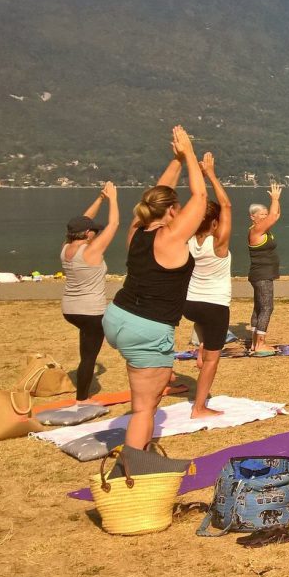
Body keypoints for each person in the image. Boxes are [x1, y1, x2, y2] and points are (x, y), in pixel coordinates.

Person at [101, 126, 206, 450]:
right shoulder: (171, 237)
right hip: (146, 328)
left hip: (117, 316)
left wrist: (174, 161)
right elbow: (201, 198)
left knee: (143, 403)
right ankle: (133, 469)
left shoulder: (137, 231)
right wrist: (189, 154)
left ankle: (139, 456)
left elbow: (157, 194)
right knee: (144, 409)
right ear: (172, 211)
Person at [182, 153, 232, 419]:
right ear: (214, 223)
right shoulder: (218, 244)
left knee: (205, 336)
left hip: (190, 304)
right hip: (214, 305)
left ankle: (201, 349)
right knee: (213, 359)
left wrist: (198, 179)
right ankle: (199, 407)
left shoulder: (188, 240)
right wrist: (211, 173)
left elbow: (198, 210)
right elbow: (227, 205)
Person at [61, 181, 119, 401]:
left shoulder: (66, 248)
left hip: (70, 310)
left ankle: (82, 395)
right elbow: (114, 224)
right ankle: (82, 400)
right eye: (93, 231)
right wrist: (113, 198)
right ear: (87, 234)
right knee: (88, 358)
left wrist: (100, 199)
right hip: (91, 312)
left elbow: (82, 221)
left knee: (86, 348)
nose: (95, 233)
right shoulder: (91, 250)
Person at [246, 183, 282, 354]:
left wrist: (276, 203)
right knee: (267, 307)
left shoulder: (264, 230)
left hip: (261, 275)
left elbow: (276, 215)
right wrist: (274, 199)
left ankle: (254, 343)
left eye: (266, 214)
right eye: (262, 214)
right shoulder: (256, 231)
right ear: (253, 217)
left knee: (259, 307)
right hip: (261, 275)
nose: (266, 217)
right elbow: (275, 216)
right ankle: (260, 344)